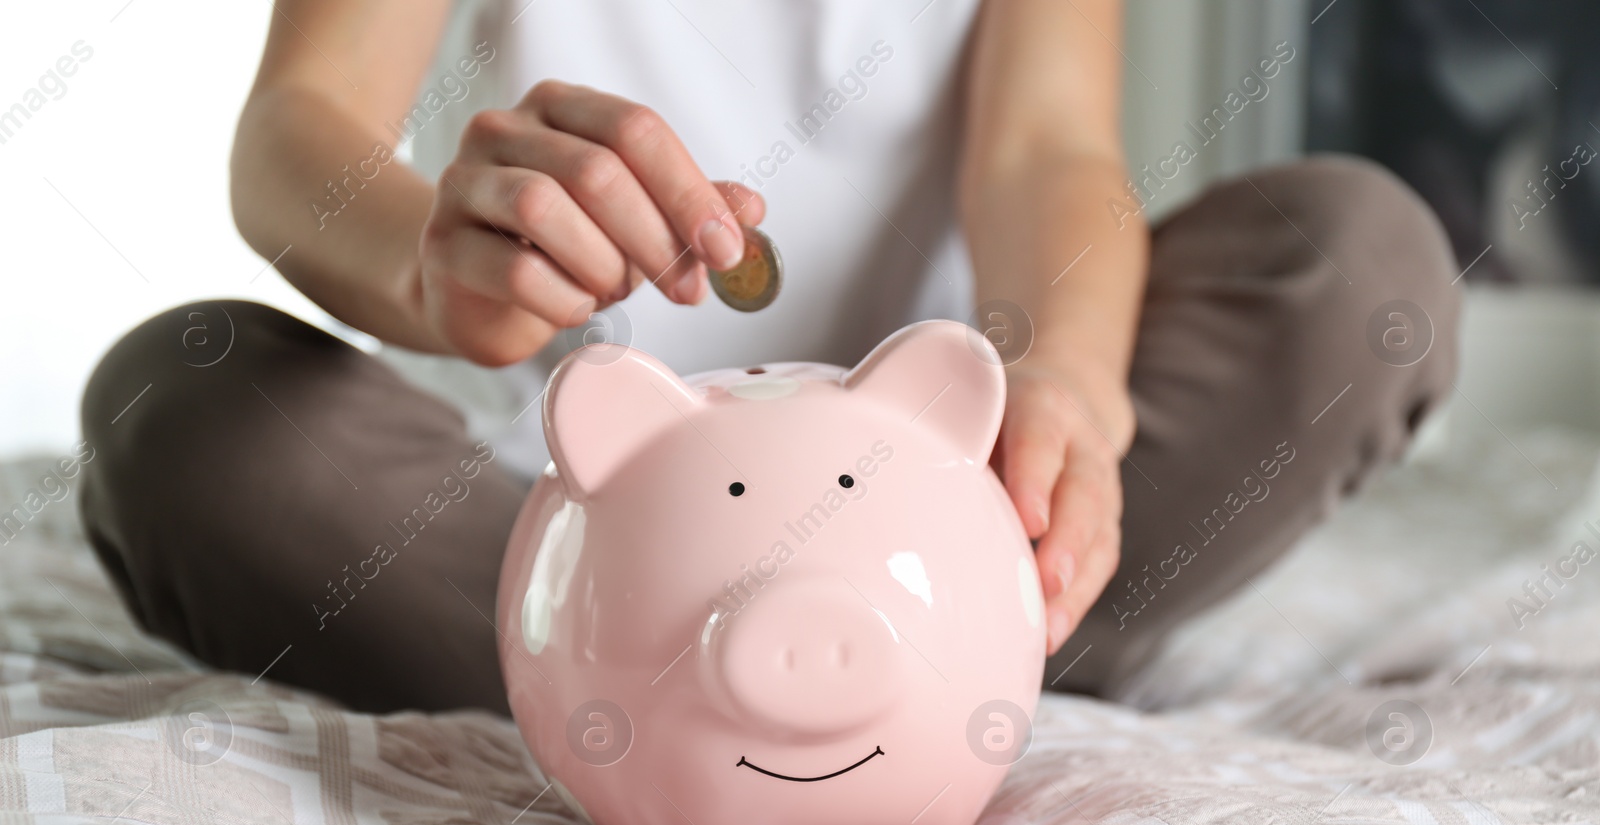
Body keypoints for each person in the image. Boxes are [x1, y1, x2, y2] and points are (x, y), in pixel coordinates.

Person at [77, 0, 1458, 715]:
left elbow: (1047, 147)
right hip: (586, 523)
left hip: (956, 489)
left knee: (1363, 262)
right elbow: (297, 132)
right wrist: (431, 270)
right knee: (183, 412)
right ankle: (933, 679)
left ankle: (978, 615)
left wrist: (1068, 389)